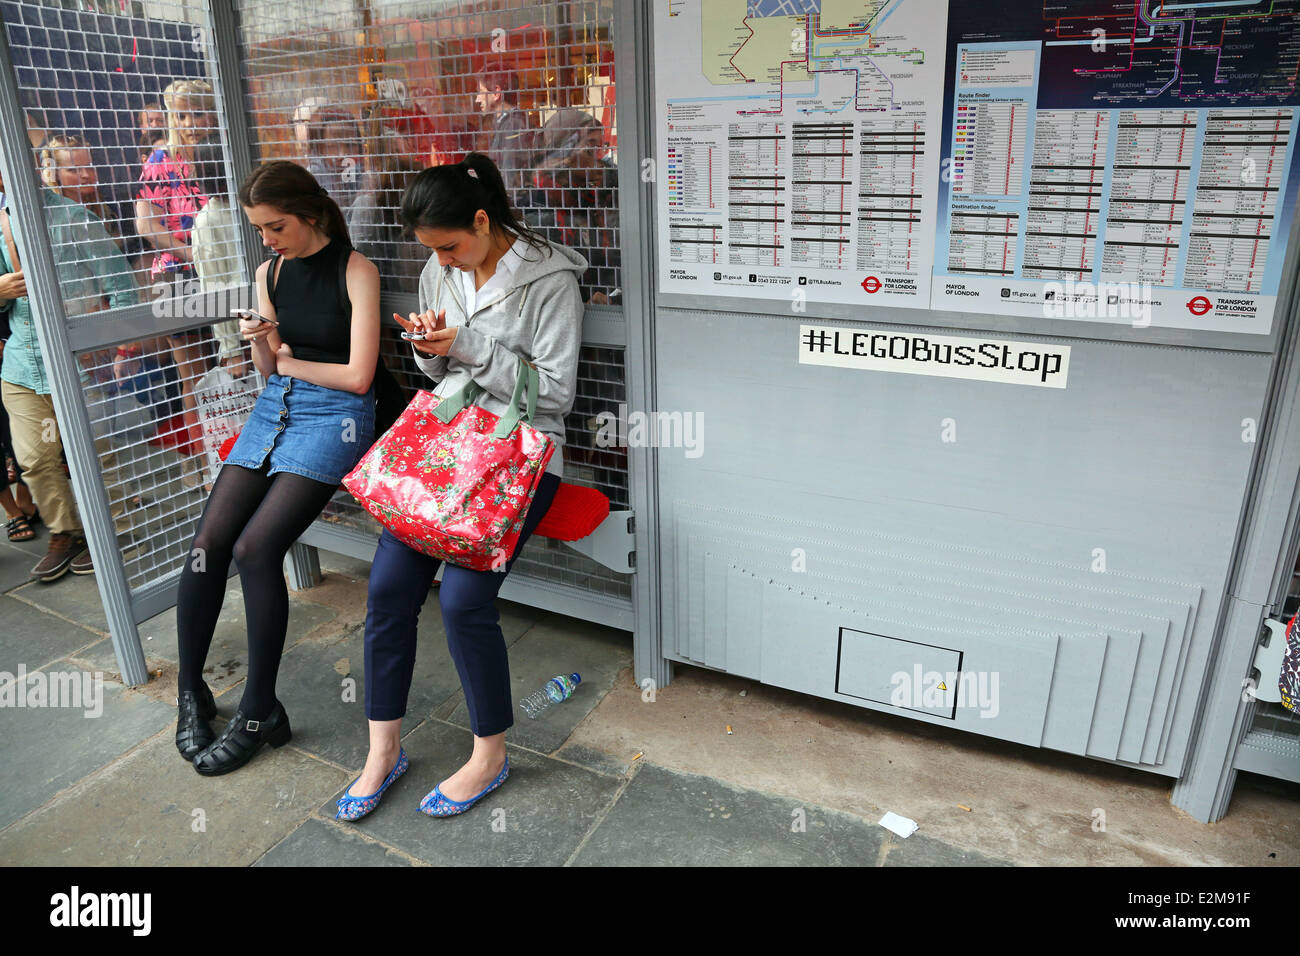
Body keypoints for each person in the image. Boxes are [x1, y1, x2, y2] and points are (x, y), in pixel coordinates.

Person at [336, 152, 584, 822]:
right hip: (447, 444)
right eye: (431, 251)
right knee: (387, 591)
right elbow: (436, 367)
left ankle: (490, 754)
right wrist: (428, 345)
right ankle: (383, 751)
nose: (441, 262)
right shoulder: (436, 264)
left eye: (449, 245)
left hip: (519, 454)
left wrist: (466, 343)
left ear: (482, 218)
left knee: (463, 602)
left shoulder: (550, 279)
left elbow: (556, 391)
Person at [176, 160, 380, 775]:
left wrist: (286, 363)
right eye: (260, 229)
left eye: (275, 225)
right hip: (276, 407)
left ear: (309, 213)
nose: (267, 239)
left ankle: (261, 708)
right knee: (209, 543)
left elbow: (358, 376)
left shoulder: (356, 270)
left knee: (256, 550)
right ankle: (193, 691)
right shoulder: (270, 271)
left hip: (336, 417)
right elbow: (269, 372)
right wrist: (261, 341)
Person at [0, 175, 138, 582]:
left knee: (97, 453)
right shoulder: (0, 221)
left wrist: (124, 348)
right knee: (35, 460)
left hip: (77, 361)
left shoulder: (72, 216)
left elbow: (120, 282)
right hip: (23, 368)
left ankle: (117, 532)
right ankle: (66, 533)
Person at [135, 78, 215, 463]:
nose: (190, 122)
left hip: (224, 267)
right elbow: (146, 225)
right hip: (176, 271)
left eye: (197, 112)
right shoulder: (160, 159)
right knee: (192, 375)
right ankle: (204, 462)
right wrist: (193, 253)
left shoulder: (223, 153)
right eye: (181, 114)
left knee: (239, 361)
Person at [520, 108, 620, 304]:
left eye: (600, 148)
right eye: (591, 149)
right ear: (564, 151)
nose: (598, 158)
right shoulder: (541, 208)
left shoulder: (588, 196)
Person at [474, 65, 538, 203]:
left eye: (481, 92)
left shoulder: (513, 125)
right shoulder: (507, 124)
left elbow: (511, 181)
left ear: (497, 93)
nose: (477, 99)